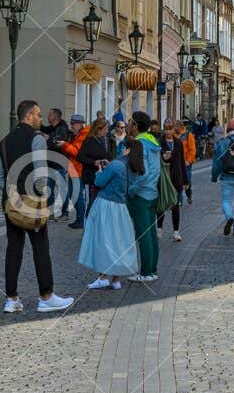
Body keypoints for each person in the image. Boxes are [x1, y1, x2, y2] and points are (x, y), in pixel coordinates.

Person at [0, 99, 74, 314]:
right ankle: (46, 297)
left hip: (10, 202)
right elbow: (39, 174)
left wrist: (12, 189)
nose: (40, 118)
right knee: (40, 248)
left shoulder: (2, 142)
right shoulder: (37, 139)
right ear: (28, 116)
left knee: (13, 249)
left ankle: (11, 299)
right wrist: (42, 197)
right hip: (31, 202)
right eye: (38, 114)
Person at [80, 139, 140, 290]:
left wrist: (100, 171)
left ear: (126, 149)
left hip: (106, 205)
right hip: (121, 208)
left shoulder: (116, 164)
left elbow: (99, 182)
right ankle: (116, 279)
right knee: (118, 243)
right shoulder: (134, 169)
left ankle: (102, 277)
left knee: (103, 241)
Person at [126, 111, 163, 281]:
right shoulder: (152, 140)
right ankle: (152, 269)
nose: (128, 124)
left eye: (130, 122)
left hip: (141, 194)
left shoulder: (139, 143)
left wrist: (132, 190)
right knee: (150, 233)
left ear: (136, 126)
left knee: (143, 235)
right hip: (152, 192)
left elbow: (143, 172)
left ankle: (146, 272)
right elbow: (155, 169)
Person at [160, 121, 190, 242]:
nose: (168, 132)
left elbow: (182, 162)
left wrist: (185, 180)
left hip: (176, 177)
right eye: (166, 129)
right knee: (161, 204)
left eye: (170, 129)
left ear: (174, 130)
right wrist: (164, 157)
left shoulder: (178, 142)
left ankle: (176, 231)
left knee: (175, 205)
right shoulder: (160, 142)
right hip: (164, 177)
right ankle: (159, 228)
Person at [78, 117, 112, 213]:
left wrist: (108, 161)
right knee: (91, 204)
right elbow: (80, 157)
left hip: (102, 177)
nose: (107, 131)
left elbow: (108, 154)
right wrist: (94, 162)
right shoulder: (89, 141)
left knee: (98, 204)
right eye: (105, 129)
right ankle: (88, 225)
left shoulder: (105, 140)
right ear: (98, 129)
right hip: (91, 177)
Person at [60, 115, 86, 229]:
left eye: (73, 123)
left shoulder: (83, 135)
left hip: (78, 171)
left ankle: (81, 220)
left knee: (77, 196)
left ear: (80, 124)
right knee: (73, 194)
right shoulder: (77, 135)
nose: (71, 126)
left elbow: (75, 151)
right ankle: (80, 219)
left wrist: (64, 145)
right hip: (74, 169)